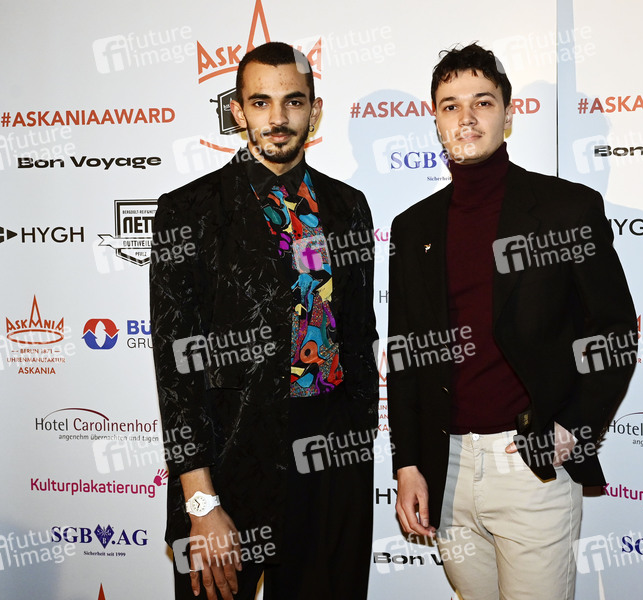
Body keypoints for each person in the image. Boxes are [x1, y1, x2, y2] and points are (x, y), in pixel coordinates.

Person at [387, 43, 637, 600]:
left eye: (482, 102)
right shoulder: (412, 227)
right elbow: (406, 357)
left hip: (531, 468)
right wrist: (408, 464)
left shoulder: (567, 208)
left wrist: (574, 427)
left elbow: (615, 330)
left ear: (508, 113)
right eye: (451, 106)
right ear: (436, 120)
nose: (467, 117)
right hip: (446, 468)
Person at [150, 41, 378, 600]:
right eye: (260, 102)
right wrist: (201, 502)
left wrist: (358, 443)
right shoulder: (189, 211)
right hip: (232, 461)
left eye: (293, 101)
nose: (278, 118)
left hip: (331, 465)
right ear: (237, 111)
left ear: (314, 111)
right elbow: (176, 368)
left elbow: (358, 333)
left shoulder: (347, 206)